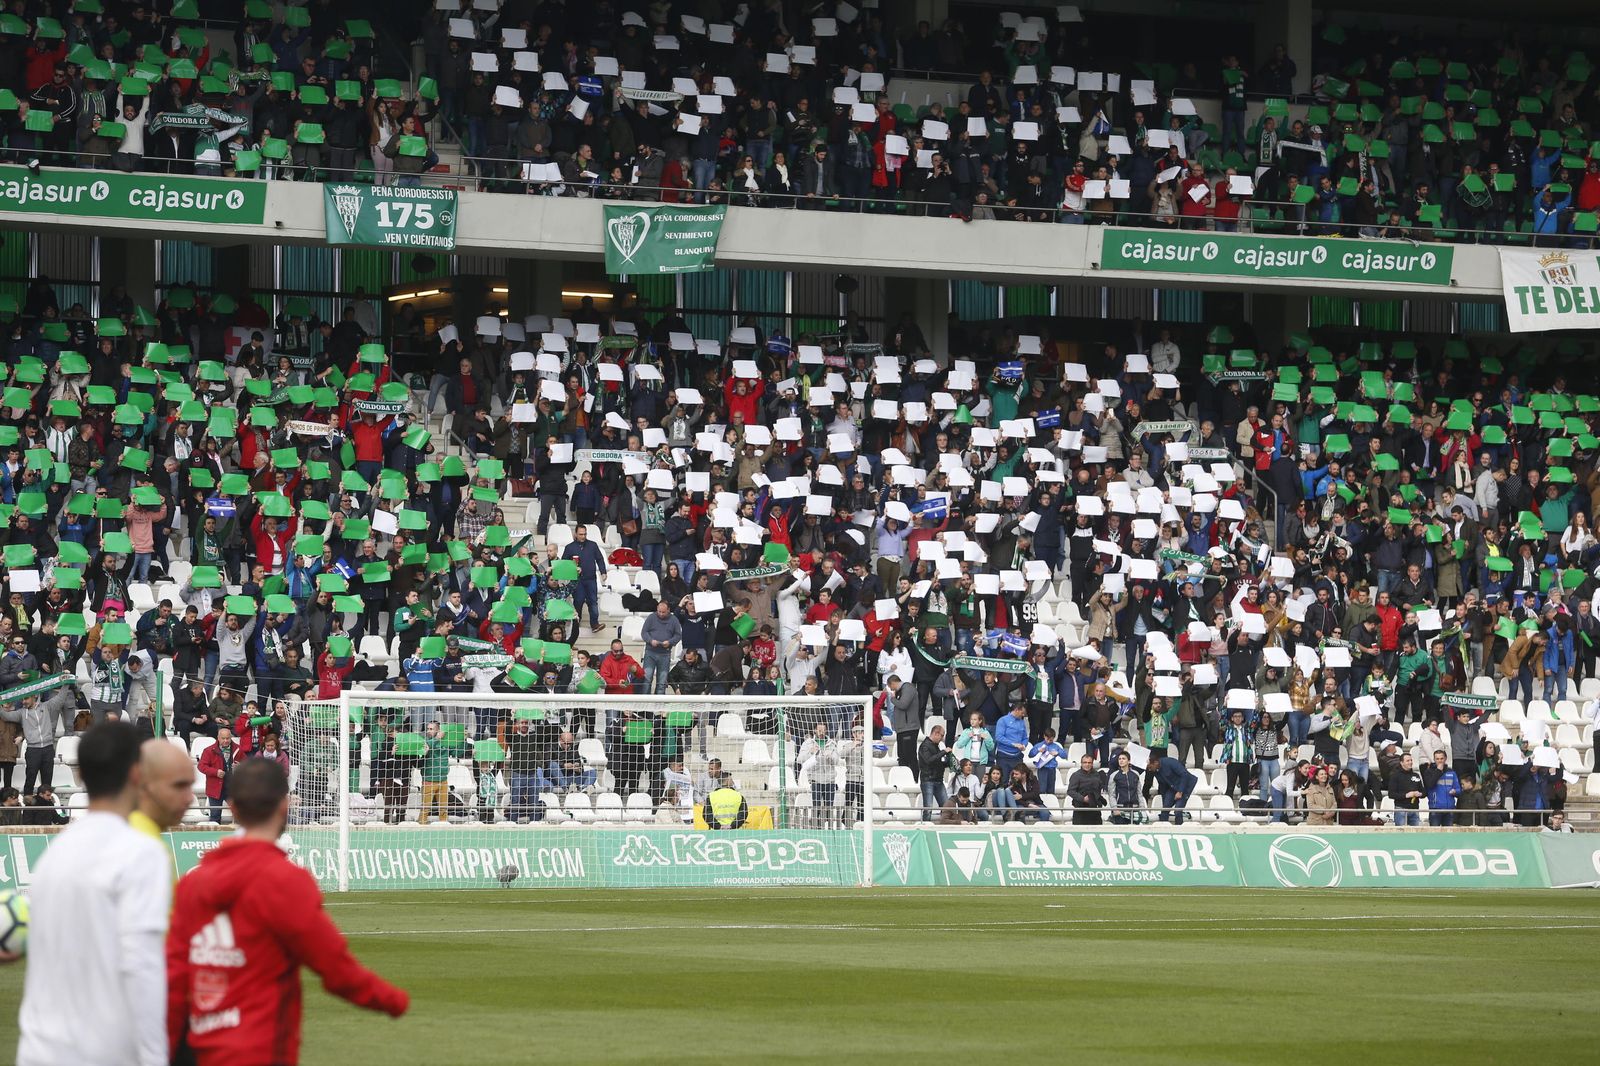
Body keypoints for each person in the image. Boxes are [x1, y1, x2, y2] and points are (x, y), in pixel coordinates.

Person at [166, 759, 409, 1065]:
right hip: (259, 1051)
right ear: (284, 806)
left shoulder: (192, 882)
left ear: (234, 808)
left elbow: (174, 978)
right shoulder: (285, 881)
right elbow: (336, 969)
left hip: (201, 1050)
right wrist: (395, 1001)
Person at [17, 721, 172, 1066]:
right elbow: (142, 965)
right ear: (137, 773)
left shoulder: (53, 855)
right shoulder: (140, 851)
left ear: (81, 774)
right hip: (103, 1051)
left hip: (39, 1048)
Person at [131, 738, 198, 853]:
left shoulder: (143, 838)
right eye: (179, 786)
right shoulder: (144, 847)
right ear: (143, 782)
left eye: (190, 786)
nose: (190, 798)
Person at [197, 727, 239, 824]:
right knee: (215, 816)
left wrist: (240, 766)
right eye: (223, 738)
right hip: (215, 788)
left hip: (233, 788)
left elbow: (246, 764)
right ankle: (214, 838)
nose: (225, 741)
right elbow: (201, 766)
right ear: (218, 738)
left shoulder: (238, 749)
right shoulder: (208, 750)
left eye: (228, 738)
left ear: (231, 737)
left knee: (239, 814)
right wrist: (215, 772)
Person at [1149, 752, 1199, 825]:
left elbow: (1184, 775)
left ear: (1156, 763)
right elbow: (1162, 786)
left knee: (1178, 810)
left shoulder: (1170, 762)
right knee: (1165, 809)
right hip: (1172, 787)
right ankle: (1163, 828)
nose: (1149, 770)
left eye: (1150, 767)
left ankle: (1178, 829)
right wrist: (1165, 802)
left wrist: (1180, 791)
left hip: (1186, 785)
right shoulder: (1155, 771)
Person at [916, 723, 951, 820]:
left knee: (946, 808)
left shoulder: (935, 746)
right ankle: (926, 828)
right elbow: (929, 760)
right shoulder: (925, 746)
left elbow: (937, 762)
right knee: (928, 808)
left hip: (938, 780)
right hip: (928, 780)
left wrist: (948, 762)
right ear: (936, 733)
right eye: (942, 735)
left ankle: (945, 825)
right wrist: (943, 752)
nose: (942, 738)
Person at [1065, 753, 1106, 825]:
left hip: (1094, 809)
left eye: (1089, 762)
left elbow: (1098, 789)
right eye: (1085, 762)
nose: (1087, 764)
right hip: (1080, 810)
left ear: (1092, 763)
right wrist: (1083, 798)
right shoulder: (1076, 775)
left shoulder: (1097, 774)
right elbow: (1070, 791)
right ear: (1081, 763)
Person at [1388, 751, 1425, 827]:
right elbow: (1391, 794)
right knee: (1401, 835)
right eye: (1408, 761)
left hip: (1415, 809)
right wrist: (1406, 795)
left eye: (1411, 760)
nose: (1410, 762)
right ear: (1401, 763)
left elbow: (1423, 791)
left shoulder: (1416, 775)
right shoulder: (1395, 776)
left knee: (1415, 835)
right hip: (1401, 809)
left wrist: (1420, 794)